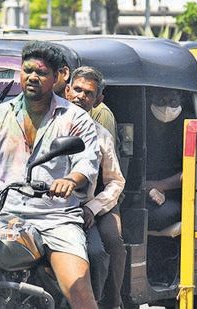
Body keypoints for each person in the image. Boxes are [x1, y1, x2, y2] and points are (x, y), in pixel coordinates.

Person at [0, 40, 100, 309]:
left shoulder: (74, 118)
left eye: (41, 73)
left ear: (57, 78)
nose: (33, 78)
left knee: (79, 291)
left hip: (56, 219)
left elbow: (87, 162)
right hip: (5, 217)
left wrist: (70, 180)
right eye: (28, 71)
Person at [67, 66, 126, 309]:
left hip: (80, 210)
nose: (80, 96)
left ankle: (105, 302)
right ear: (67, 90)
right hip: (39, 207)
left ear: (97, 100)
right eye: (77, 90)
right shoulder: (44, 124)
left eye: (88, 93)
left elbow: (116, 181)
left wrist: (91, 208)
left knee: (100, 253)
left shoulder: (101, 135)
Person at [145, 87, 189, 231]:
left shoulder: (189, 125)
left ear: (181, 100)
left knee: (157, 216)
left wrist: (160, 185)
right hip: (143, 191)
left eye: (172, 101)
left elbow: (193, 171)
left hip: (175, 194)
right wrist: (148, 188)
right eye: (161, 101)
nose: (166, 107)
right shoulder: (142, 120)